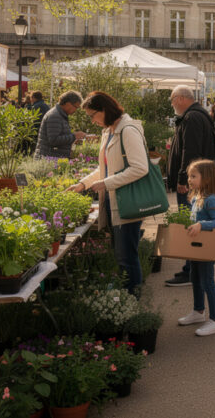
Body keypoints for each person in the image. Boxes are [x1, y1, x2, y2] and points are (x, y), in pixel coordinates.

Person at [68, 91, 152, 296]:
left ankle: (132, 300)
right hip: (117, 201)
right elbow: (104, 168)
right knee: (121, 255)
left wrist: (106, 183)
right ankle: (126, 296)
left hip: (128, 202)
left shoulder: (128, 130)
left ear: (104, 110)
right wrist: (82, 185)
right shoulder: (110, 131)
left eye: (92, 115)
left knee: (127, 256)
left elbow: (141, 168)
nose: (92, 121)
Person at [165, 86, 215, 287]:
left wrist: (182, 179)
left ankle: (191, 271)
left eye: (172, 100)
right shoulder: (196, 115)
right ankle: (193, 269)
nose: (172, 105)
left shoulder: (192, 117)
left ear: (179, 98)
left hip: (193, 181)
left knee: (190, 224)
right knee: (193, 223)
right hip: (198, 179)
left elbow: (190, 150)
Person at [176, 159, 215, 336]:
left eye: (193, 176)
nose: (189, 179)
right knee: (195, 278)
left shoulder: (211, 199)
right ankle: (198, 311)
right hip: (196, 247)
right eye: (189, 176)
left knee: (207, 281)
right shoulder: (196, 196)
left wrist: (200, 225)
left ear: (206, 178)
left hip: (207, 248)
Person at [36, 91, 88, 158]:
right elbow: (53, 140)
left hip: (53, 158)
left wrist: (74, 139)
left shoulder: (61, 115)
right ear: (68, 104)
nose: (75, 110)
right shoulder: (55, 116)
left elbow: (60, 136)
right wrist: (74, 136)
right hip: (49, 159)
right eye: (76, 107)